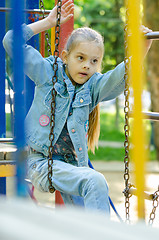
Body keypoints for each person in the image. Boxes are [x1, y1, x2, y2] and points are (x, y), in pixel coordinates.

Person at [3, 0, 152, 215]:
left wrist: (141, 49)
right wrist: (48, 22)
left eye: (94, 61)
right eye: (80, 58)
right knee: (95, 181)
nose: (86, 65)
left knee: (82, 220)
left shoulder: (93, 86)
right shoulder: (48, 72)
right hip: (40, 162)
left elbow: (120, 77)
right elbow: (11, 41)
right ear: (65, 57)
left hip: (72, 165)